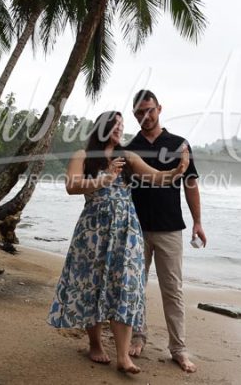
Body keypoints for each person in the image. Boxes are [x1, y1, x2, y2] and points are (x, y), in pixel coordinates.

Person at [47, 111, 189, 374]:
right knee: (92, 284)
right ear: (102, 128)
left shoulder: (128, 157)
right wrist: (105, 177)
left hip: (126, 229)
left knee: (124, 285)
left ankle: (123, 357)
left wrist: (176, 172)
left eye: (122, 126)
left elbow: (155, 177)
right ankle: (95, 345)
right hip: (93, 230)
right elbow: (71, 186)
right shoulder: (83, 155)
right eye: (116, 125)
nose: (120, 129)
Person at [126, 89, 207, 373]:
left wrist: (197, 222)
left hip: (170, 227)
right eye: (139, 112)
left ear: (159, 108)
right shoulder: (130, 147)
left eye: (149, 110)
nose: (145, 116)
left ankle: (179, 349)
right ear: (134, 114)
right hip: (135, 229)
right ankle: (138, 336)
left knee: (173, 290)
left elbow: (191, 184)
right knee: (135, 288)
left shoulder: (179, 144)